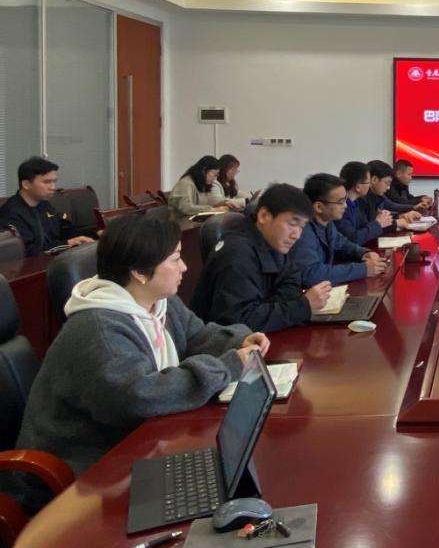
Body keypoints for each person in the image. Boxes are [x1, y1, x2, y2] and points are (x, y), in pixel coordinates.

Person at [9, 213, 267, 510]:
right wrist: (229, 365)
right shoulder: (99, 328)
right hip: (83, 474)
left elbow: (197, 336)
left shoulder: (158, 302)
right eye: (175, 259)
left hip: (133, 447)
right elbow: (139, 397)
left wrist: (238, 341)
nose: (184, 267)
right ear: (140, 272)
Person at [191, 184, 332, 333]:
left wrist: (271, 309)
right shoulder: (237, 253)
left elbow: (291, 282)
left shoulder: (274, 241)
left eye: (302, 227)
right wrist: (302, 307)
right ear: (264, 216)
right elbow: (238, 321)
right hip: (223, 343)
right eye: (292, 224)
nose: (296, 235)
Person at [292, 173, 388, 287]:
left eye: (345, 199)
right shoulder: (303, 231)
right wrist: (363, 269)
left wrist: (364, 253)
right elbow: (312, 274)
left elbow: (343, 244)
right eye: (340, 202)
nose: (345, 206)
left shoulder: (327, 222)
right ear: (319, 207)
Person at [0, 156, 94, 256]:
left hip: (55, 259)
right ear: (26, 184)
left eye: (54, 182)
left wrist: (95, 233)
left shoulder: (44, 204)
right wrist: (67, 243)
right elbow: (28, 251)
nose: (53, 187)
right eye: (47, 182)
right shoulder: (11, 213)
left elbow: (64, 229)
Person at [337, 161, 392, 244]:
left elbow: (365, 225)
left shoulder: (356, 202)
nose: (370, 185)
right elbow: (353, 239)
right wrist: (378, 223)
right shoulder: (341, 207)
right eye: (368, 182)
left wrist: (379, 219)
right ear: (358, 187)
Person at [168, 155, 231, 225]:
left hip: (194, 224)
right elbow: (186, 208)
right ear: (204, 170)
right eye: (214, 174)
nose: (215, 178)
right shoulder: (185, 183)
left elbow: (209, 201)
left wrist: (224, 203)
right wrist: (211, 209)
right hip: (180, 226)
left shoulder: (200, 183)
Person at [366, 160, 422, 227]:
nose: (388, 188)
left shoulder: (377, 195)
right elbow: (373, 224)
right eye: (386, 183)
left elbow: (389, 207)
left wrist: (401, 216)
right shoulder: (363, 199)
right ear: (374, 180)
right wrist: (396, 223)